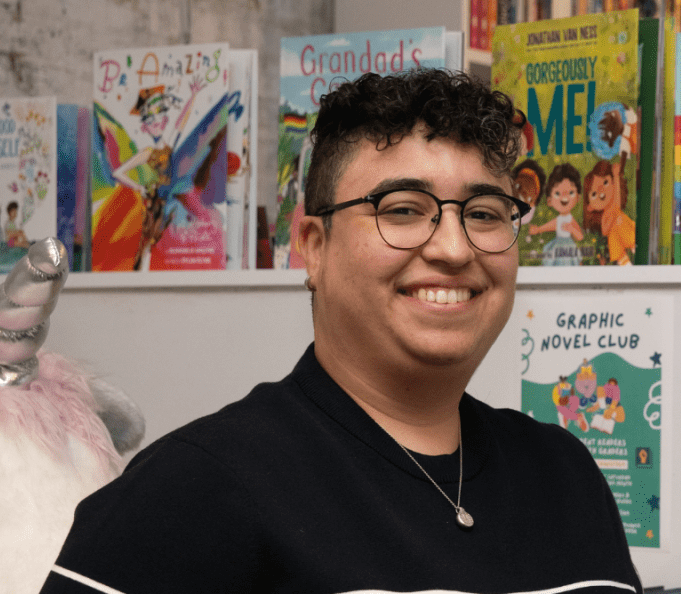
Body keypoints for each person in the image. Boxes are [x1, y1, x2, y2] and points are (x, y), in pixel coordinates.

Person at [42, 69, 642, 594]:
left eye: (484, 214)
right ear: (314, 248)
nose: (455, 249)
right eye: (402, 209)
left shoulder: (566, 476)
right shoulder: (195, 489)